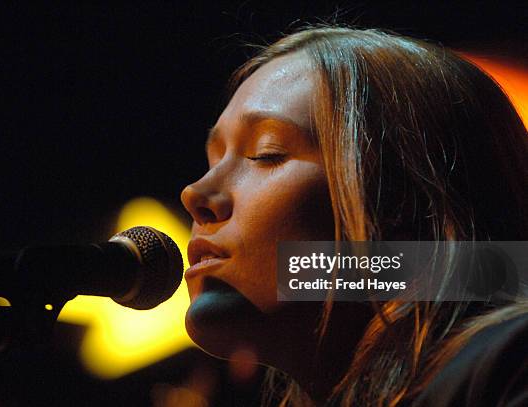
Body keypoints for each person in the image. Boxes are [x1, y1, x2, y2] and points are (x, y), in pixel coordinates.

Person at [180, 26, 528, 407]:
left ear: (402, 202)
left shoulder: (511, 366)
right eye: (214, 161)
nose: (195, 193)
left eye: (267, 153)